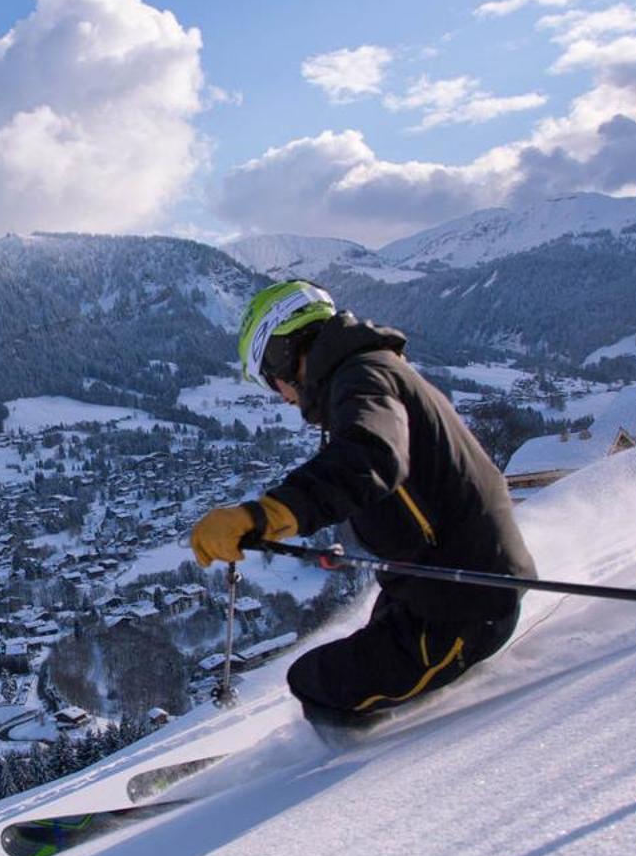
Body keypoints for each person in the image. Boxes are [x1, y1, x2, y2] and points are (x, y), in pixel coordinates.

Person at [191, 279, 535, 730]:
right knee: (356, 657)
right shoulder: (371, 370)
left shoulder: (363, 377)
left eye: (270, 379)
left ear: (282, 353)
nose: (282, 396)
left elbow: (370, 458)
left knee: (316, 681)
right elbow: (395, 489)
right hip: (446, 585)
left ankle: (341, 779)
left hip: (462, 607)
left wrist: (262, 515)